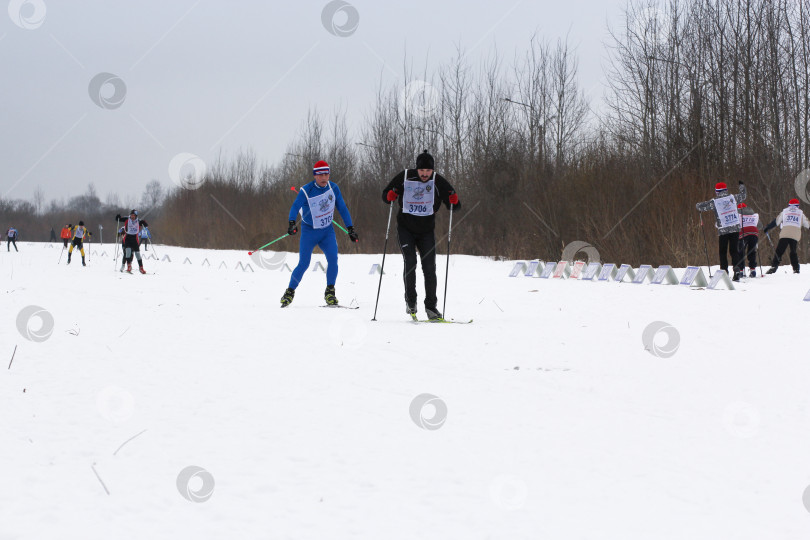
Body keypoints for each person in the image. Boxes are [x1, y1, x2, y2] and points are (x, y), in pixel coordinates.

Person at [381, 150, 461, 319]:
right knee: (410, 261)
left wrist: (454, 200)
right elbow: (386, 196)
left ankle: (431, 307)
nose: (425, 174)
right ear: (416, 169)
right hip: (405, 228)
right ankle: (411, 301)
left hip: (426, 231)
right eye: (421, 170)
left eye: (428, 171)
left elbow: (454, 203)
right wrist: (390, 195)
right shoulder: (405, 177)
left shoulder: (437, 180)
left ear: (432, 170)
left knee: (429, 268)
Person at [280, 160, 357, 307]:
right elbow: (295, 206)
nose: (324, 178)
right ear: (315, 176)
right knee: (304, 263)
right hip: (309, 232)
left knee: (333, 260)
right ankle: (289, 292)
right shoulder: (306, 190)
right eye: (320, 175)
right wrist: (291, 223)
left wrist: (350, 229)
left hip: (327, 232)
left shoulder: (333, 188)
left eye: (326, 174)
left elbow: (342, 208)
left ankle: (330, 292)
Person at [696, 181, 747, 281]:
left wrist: (697, 205)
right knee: (734, 250)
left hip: (723, 229)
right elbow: (743, 196)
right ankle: (737, 269)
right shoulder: (733, 197)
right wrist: (742, 186)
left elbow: (702, 207)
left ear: (717, 191)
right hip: (735, 228)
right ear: (726, 190)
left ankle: (724, 271)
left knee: (722, 251)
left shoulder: (714, 201)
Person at [763, 198, 810, 274]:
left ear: (789, 205)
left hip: (785, 234)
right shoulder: (800, 213)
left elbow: (776, 221)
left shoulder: (785, 211)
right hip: (795, 234)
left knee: (779, 251)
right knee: (793, 251)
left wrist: (767, 227)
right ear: (797, 206)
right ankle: (796, 269)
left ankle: (774, 267)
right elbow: (807, 224)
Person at [115, 210, 148, 274]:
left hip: (135, 238)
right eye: (131, 215)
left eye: (134, 215)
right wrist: (118, 217)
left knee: (137, 254)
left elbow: (146, 225)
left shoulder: (139, 221)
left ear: (136, 216)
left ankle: (141, 268)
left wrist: (144, 223)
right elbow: (118, 219)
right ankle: (129, 267)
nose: (132, 217)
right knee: (128, 252)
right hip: (127, 238)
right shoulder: (127, 219)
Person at [736, 203, 760, 277]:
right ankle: (753, 270)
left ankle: (740, 270)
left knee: (741, 252)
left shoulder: (738, 214)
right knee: (752, 251)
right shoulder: (754, 215)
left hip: (743, 234)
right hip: (754, 233)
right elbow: (760, 226)